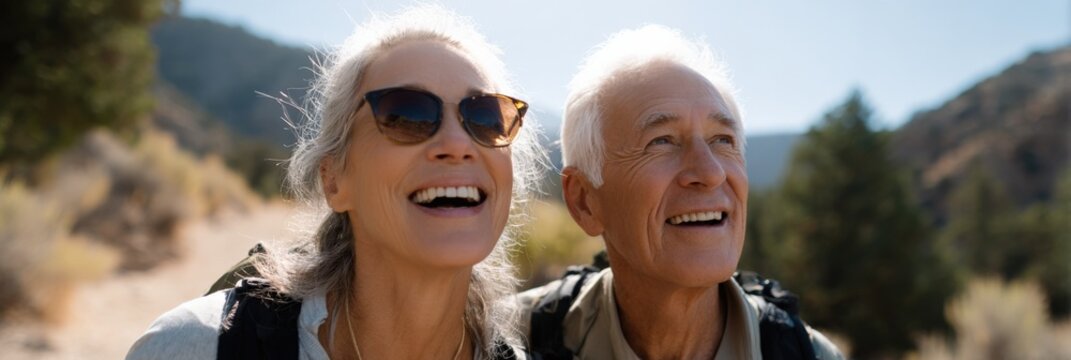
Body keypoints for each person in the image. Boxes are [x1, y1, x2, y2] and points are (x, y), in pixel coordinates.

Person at [127, 5, 544, 359]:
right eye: (407, 114)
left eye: (486, 117)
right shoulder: (198, 346)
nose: (457, 144)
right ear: (335, 180)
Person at [517, 25, 844, 359]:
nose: (711, 173)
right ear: (584, 200)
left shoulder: (808, 353)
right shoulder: (509, 340)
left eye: (723, 141)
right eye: (662, 141)